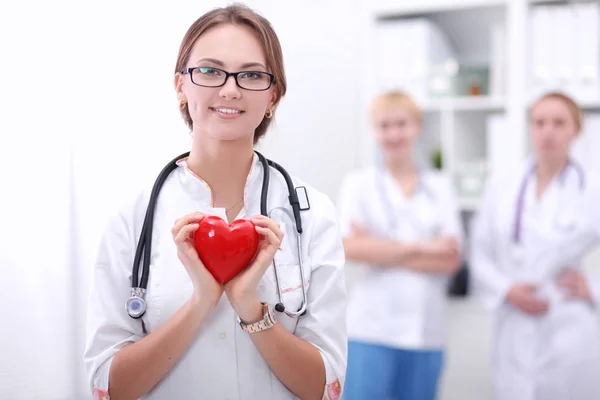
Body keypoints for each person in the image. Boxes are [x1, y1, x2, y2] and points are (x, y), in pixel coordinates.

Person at [83, 5, 347, 400]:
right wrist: (201, 303)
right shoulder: (132, 218)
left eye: (252, 75)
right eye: (209, 70)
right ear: (180, 87)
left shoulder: (311, 216)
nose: (230, 89)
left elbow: (325, 388)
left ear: (273, 96)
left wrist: (250, 308)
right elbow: (108, 387)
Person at [471, 91, 600, 400]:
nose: (548, 131)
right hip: (514, 322)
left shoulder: (592, 187)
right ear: (530, 127)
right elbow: (479, 251)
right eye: (540, 122)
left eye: (559, 122)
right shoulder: (502, 185)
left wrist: (593, 288)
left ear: (576, 130)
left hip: (569, 321)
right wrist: (506, 290)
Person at [337, 91, 464, 400]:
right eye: (384, 125)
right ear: (374, 131)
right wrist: (426, 248)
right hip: (370, 330)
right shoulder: (358, 185)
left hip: (426, 332)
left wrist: (379, 249)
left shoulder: (440, 187)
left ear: (417, 127)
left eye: (401, 124)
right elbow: (350, 248)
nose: (393, 134)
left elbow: (450, 260)